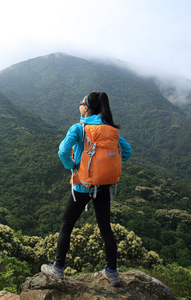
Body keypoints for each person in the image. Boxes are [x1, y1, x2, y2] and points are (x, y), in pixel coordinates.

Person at [41, 92, 132, 287]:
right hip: (104, 186)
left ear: (86, 107)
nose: (79, 106)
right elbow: (128, 151)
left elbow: (63, 151)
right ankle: (112, 273)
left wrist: (72, 165)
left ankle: (58, 269)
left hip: (82, 186)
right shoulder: (111, 129)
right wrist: (107, 167)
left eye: (81, 103)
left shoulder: (79, 128)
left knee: (67, 225)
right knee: (106, 228)